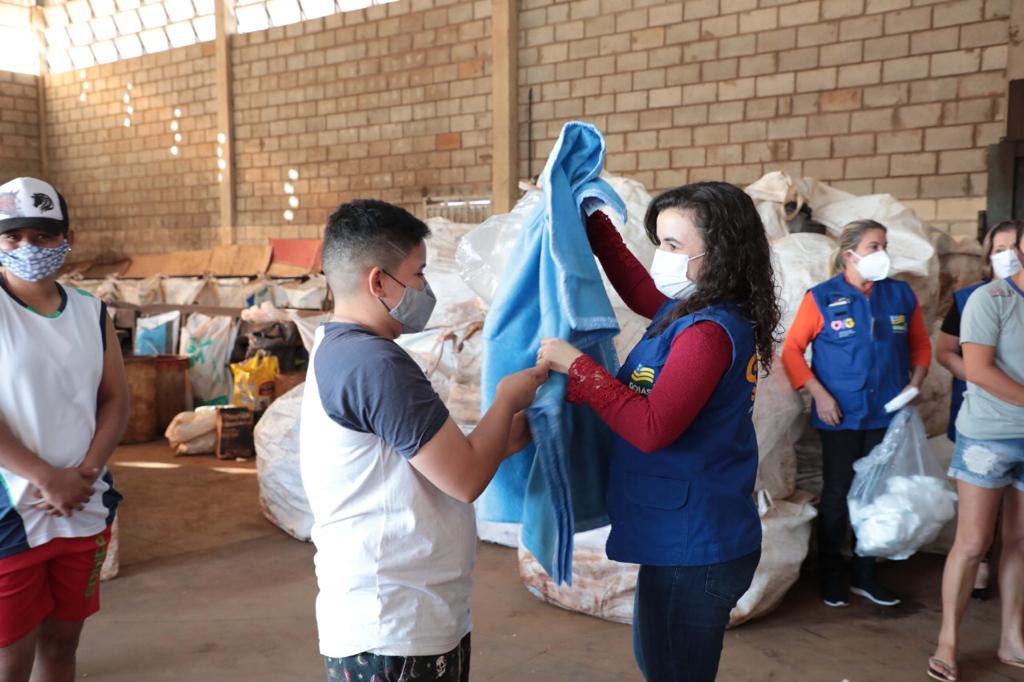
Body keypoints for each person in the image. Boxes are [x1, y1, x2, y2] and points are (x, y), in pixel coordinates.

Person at [538, 182, 780, 682]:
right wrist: (594, 228)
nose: (660, 258)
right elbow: (641, 290)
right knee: (662, 661)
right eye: (659, 243)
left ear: (721, 255)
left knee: (672, 669)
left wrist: (580, 368)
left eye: (673, 246)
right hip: (683, 535)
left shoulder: (707, 333)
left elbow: (650, 429)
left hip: (697, 544)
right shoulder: (690, 311)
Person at [299, 199, 547, 682]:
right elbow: (466, 478)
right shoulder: (377, 365)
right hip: (395, 625)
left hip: (395, 613)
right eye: (418, 274)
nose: (425, 289)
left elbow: (424, 460)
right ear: (378, 281)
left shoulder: (342, 349)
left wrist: (504, 437)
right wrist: (505, 400)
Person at [0, 177, 128, 682]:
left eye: (43, 235)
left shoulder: (92, 313)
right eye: (14, 237)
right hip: (12, 509)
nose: (29, 247)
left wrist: (85, 472)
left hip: (82, 502)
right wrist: (46, 476)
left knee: (62, 644)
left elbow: (115, 398)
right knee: (10, 658)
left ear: (67, 237)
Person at [781, 219, 932, 608]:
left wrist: (915, 381)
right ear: (849, 255)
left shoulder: (900, 295)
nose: (881, 253)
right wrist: (819, 395)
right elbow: (793, 351)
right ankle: (832, 573)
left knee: (877, 496)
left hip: (887, 416)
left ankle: (865, 574)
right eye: (873, 246)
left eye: (884, 245)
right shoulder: (821, 297)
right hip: (841, 416)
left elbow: (920, 346)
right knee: (837, 495)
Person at [928, 221, 1024, 682]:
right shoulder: (986, 299)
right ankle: (948, 640)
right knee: (972, 542)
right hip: (989, 435)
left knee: (1020, 541)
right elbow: (979, 370)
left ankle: (1012, 637)